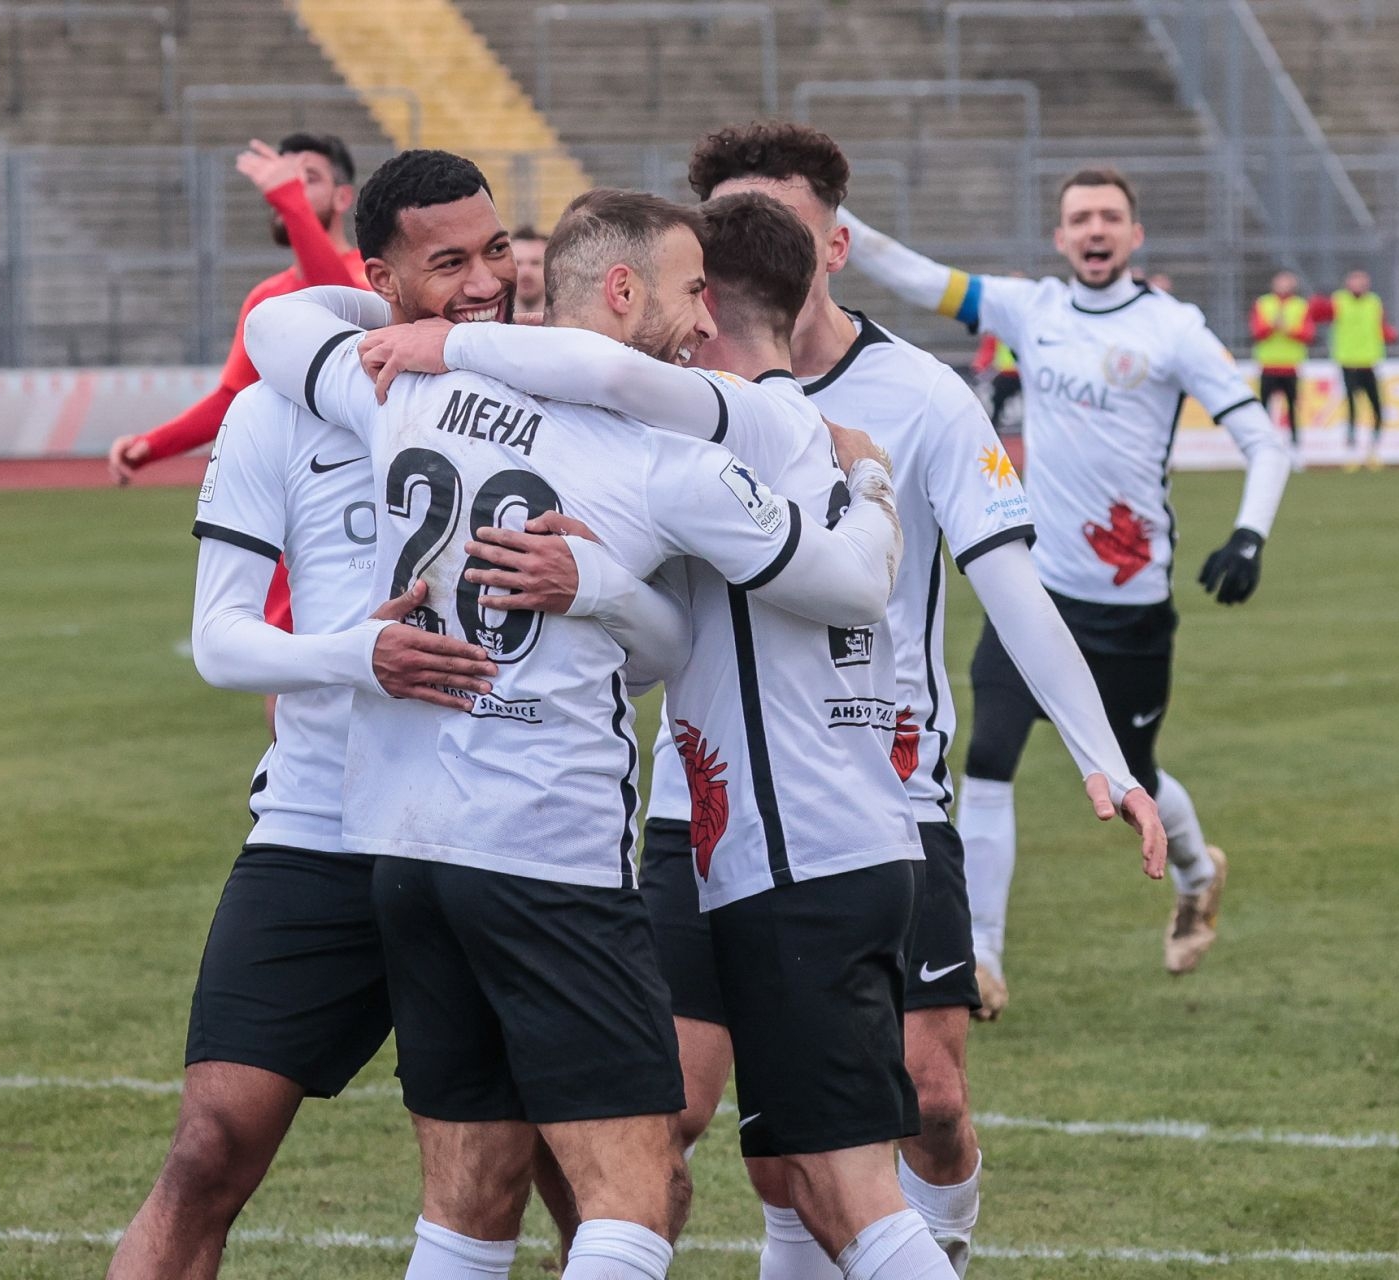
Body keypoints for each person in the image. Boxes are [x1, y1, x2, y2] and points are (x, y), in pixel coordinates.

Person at [348, 184, 1164, 1278]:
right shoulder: (674, 425)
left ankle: (942, 1235)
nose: (691, 317)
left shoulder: (756, 417)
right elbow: (659, 645)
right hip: (715, 830)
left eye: (700, 290)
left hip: (827, 832)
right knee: (760, 1161)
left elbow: (876, 579)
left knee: (855, 1168)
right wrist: (598, 580)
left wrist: (444, 341)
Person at [245, 164, 917, 1280]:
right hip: (547, 848)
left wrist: (420, 328)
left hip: (404, 848)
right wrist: (876, 484)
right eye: (691, 290)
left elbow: (275, 325)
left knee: (466, 1203)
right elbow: (850, 587)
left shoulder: (399, 390)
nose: (703, 318)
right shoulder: (669, 456)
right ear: (620, 291)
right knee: (633, 1199)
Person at [104, 146, 511, 1280]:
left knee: (551, 1178)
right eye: (449, 264)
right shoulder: (273, 414)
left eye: (495, 251)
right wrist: (356, 656)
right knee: (208, 1148)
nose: (486, 282)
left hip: (490, 833)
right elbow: (223, 639)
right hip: (316, 826)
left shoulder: (539, 396)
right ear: (378, 279)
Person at [838, 167, 1294, 997]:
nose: (1095, 229)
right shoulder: (1030, 310)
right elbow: (916, 275)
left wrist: (1248, 537)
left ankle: (1197, 872)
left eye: (1110, 217)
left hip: (1130, 605)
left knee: (1134, 776)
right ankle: (984, 957)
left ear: (1134, 235)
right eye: (1080, 217)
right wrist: (834, 215)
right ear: (1059, 237)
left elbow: (1266, 442)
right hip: (1035, 590)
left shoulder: (1175, 329)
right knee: (988, 758)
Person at [105, 133, 368, 635]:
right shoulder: (267, 297)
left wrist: (289, 199)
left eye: (307, 179)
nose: (287, 189)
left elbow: (345, 313)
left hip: (357, 501)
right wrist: (151, 445)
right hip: (290, 504)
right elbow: (232, 398)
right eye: (284, 180)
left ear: (342, 197)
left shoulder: (371, 276)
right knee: (282, 658)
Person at [1311, 269, 1397, 470]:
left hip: (1369, 362)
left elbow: (1380, 327)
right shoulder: (1339, 300)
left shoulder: (1374, 302)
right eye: (1355, 280)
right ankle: (1351, 452)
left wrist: (1390, 334)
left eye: (1362, 281)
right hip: (1348, 362)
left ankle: (1373, 450)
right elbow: (1317, 315)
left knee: (1377, 407)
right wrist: (1318, 299)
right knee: (1352, 407)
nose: (1359, 284)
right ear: (1348, 282)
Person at [1250, 269, 1314, 451]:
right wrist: (1273, 326)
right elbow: (1257, 332)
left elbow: (1308, 334)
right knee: (1264, 409)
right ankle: (1263, 444)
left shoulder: (1300, 305)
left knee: (1293, 408)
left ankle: (1295, 446)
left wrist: (1287, 329)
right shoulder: (1263, 303)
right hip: (1268, 364)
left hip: (1290, 365)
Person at [510, 224, 548, 315]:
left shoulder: (570, 322)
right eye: (517, 263)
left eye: (535, 263)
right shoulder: (489, 322)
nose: (526, 271)